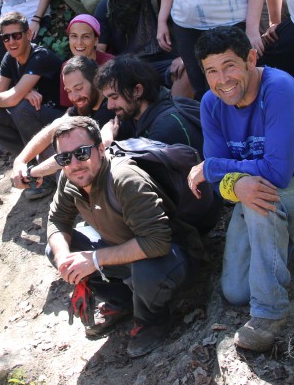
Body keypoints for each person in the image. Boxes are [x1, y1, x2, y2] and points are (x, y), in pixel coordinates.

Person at [186, 27, 294, 352]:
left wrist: (216, 170)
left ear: (251, 59)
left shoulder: (278, 88)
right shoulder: (211, 104)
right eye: (212, 71)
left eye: (229, 66)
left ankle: (270, 314)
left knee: (260, 196)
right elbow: (221, 177)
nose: (222, 79)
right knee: (236, 291)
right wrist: (234, 181)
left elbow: (277, 173)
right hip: (260, 191)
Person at [46, 116, 196, 358]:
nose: (74, 163)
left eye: (82, 153)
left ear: (101, 149)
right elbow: (56, 221)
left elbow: (157, 241)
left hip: (170, 254)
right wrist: (65, 257)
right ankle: (123, 301)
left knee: (146, 271)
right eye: (65, 158)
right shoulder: (69, 177)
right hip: (121, 249)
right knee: (56, 249)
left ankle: (152, 320)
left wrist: (94, 259)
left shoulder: (124, 179)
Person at [94, 0, 191, 97]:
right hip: (129, 68)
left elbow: (189, 23)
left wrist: (185, 56)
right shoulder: (106, 6)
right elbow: (99, 49)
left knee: (187, 70)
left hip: (165, 62)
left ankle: (176, 117)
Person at [10, 56, 114, 194]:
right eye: (69, 91)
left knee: (65, 171)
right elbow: (55, 126)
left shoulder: (109, 108)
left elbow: (75, 155)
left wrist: (33, 172)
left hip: (108, 174)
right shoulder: (83, 105)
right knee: (46, 151)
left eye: (78, 88)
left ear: (95, 80)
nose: (74, 97)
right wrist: (20, 160)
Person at [0, 12, 64, 156]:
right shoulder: (10, 57)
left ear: (28, 34)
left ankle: (47, 161)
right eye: (5, 37)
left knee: (20, 107)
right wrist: (20, 93)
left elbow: (8, 98)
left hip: (60, 116)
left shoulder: (41, 57)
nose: (11, 42)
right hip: (32, 116)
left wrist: (18, 94)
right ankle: (27, 159)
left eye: (16, 35)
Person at [95, 55, 203, 150]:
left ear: (137, 90)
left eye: (114, 97)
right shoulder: (133, 117)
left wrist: (106, 144)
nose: (109, 106)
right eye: (107, 98)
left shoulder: (165, 129)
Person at [58, 14, 113, 109]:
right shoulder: (66, 67)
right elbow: (69, 107)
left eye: (86, 36)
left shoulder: (109, 63)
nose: (79, 42)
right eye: (74, 36)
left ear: (96, 40)